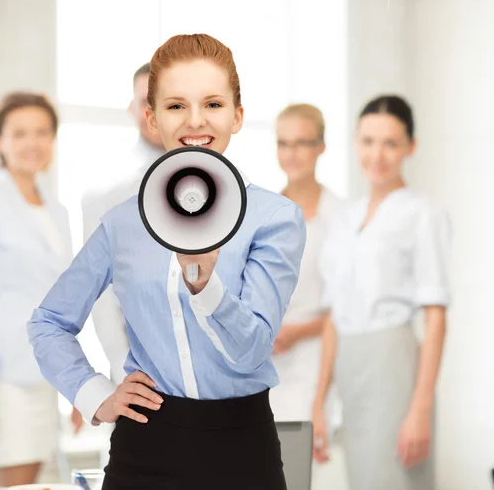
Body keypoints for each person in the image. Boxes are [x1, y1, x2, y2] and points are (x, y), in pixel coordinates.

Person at [27, 34, 306, 490]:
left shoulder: (274, 218)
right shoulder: (122, 223)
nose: (195, 120)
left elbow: (252, 349)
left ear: (237, 116)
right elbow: (49, 322)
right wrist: (96, 395)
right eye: (176, 106)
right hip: (144, 448)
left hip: (242, 449)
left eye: (213, 103)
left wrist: (206, 284)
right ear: (152, 119)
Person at [312, 95, 450, 490]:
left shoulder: (423, 214)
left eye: (391, 143)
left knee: (397, 479)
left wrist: (420, 409)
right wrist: (320, 401)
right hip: (349, 369)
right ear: (355, 143)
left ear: (411, 146)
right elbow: (333, 316)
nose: (378, 154)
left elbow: (436, 317)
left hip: (395, 366)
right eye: (368, 141)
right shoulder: (344, 218)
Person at [0, 92, 80, 487]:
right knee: (10, 480)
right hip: (2, 375)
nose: (33, 143)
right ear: (0, 141)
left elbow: (63, 300)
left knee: (35, 480)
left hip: (45, 370)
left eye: (43, 132)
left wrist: (75, 383)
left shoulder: (56, 208)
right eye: (20, 133)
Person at [81, 62, 165, 385]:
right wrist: (121, 364)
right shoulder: (107, 191)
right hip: (139, 369)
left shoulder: (214, 179)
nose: (155, 113)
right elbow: (99, 289)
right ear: (133, 108)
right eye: (146, 102)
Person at [270, 104, 341, 428]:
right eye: (283, 143)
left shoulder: (341, 217)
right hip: (266, 363)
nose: (291, 153)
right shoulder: (264, 213)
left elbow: (342, 306)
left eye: (301, 143)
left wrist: (298, 332)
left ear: (321, 147)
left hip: (316, 361)